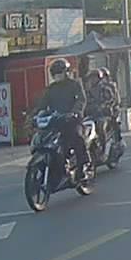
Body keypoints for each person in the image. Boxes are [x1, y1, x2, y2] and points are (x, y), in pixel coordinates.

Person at [35, 59, 91, 190]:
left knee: (77, 138)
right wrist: (36, 115)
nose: (58, 75)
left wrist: (75, 112)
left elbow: (81, 99)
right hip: (55, 122)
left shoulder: (75, 84)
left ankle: (83, 167)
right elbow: (42, 105)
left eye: (60, 72)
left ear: (66, 72)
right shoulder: (51, 89)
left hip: (72, 121)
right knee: (43, 140)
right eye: (56, 73)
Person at [84, 66, 121, 146]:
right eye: (91, 78)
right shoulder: (88, 91)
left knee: (101, 126)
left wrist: (104, 106)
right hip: (91, 114)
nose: (92, 80)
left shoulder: (105, 88)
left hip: (103, 114)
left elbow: (111, 99)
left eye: (94, 78)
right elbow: (84, 102)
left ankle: (103, 146)